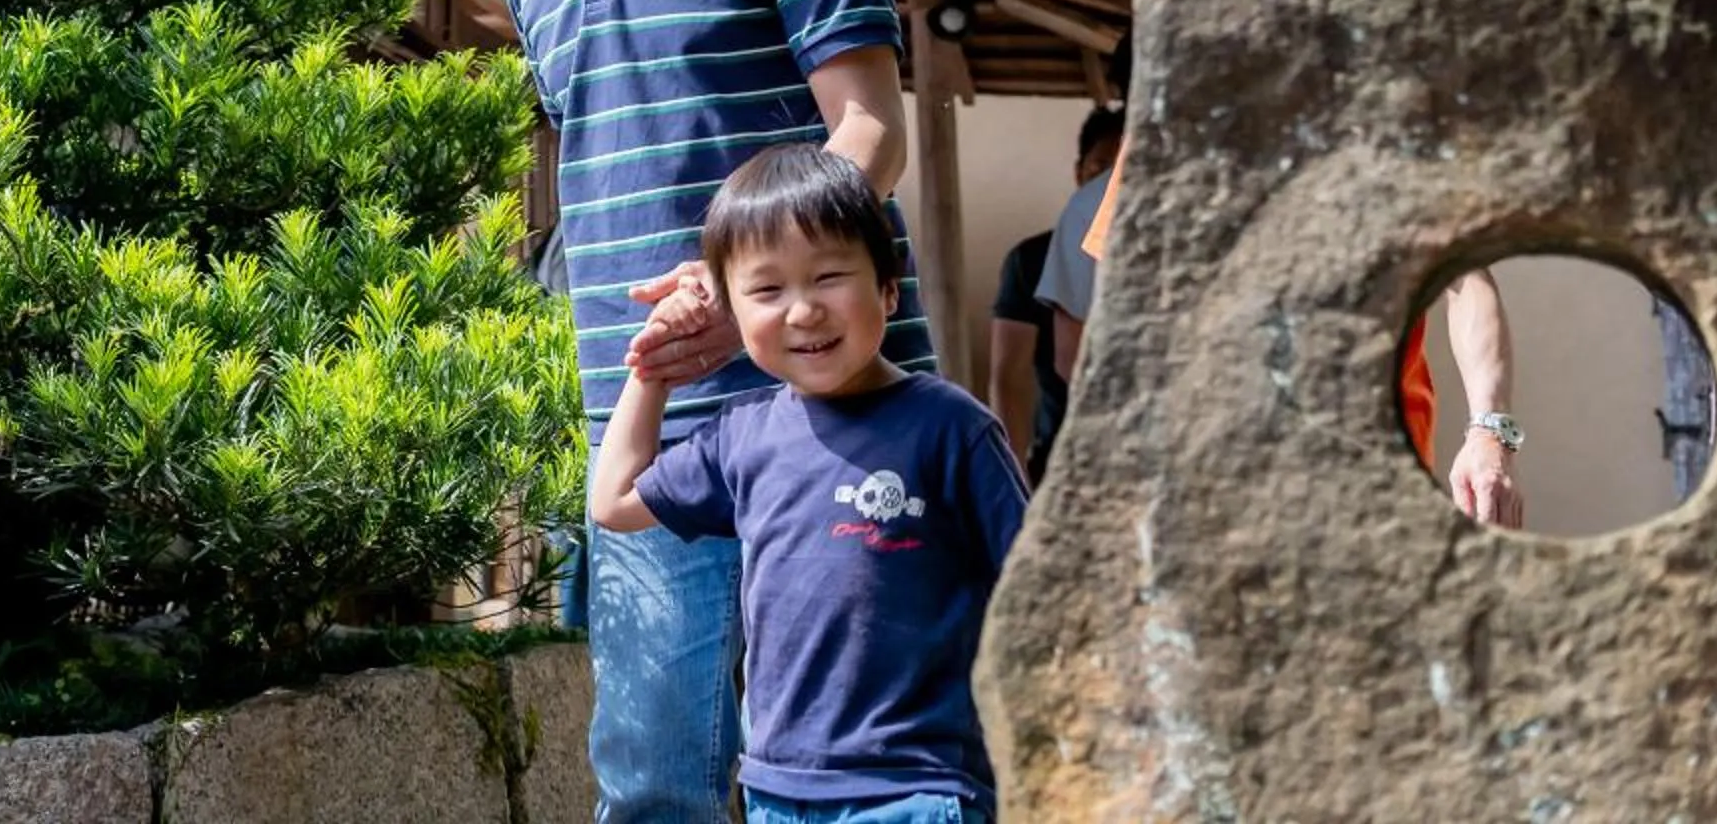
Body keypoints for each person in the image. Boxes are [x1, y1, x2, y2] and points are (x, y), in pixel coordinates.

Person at [491, 0, 931, 824]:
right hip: (642, 428)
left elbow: (868, 126)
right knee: (654, 781)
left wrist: (733, 282)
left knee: (871, 770)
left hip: (830, 412)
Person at [590, 144, 1025, 824]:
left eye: (828, 277)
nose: (802, 311)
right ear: (731, 313)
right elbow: (613, 502)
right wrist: (651, 371)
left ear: (888, 285)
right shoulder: (746, 438)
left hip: (921, 791)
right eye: (766, 290)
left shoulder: (951, 428)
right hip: (778, 794)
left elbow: (1035, 582)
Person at [1062, 138, 1526, 526]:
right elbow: (1130, 310)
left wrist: (1490, 433)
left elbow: (1466, 278)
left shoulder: (1397, 110)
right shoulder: (1176, 116)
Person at [988, 107, 1124, 483]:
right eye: (1100, 169)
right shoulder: (1030, 260)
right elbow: (1009, 377)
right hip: (1062, 455)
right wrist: (1013, 477)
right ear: (1079, 172)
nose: (1110, 187)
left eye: (1122, 172)